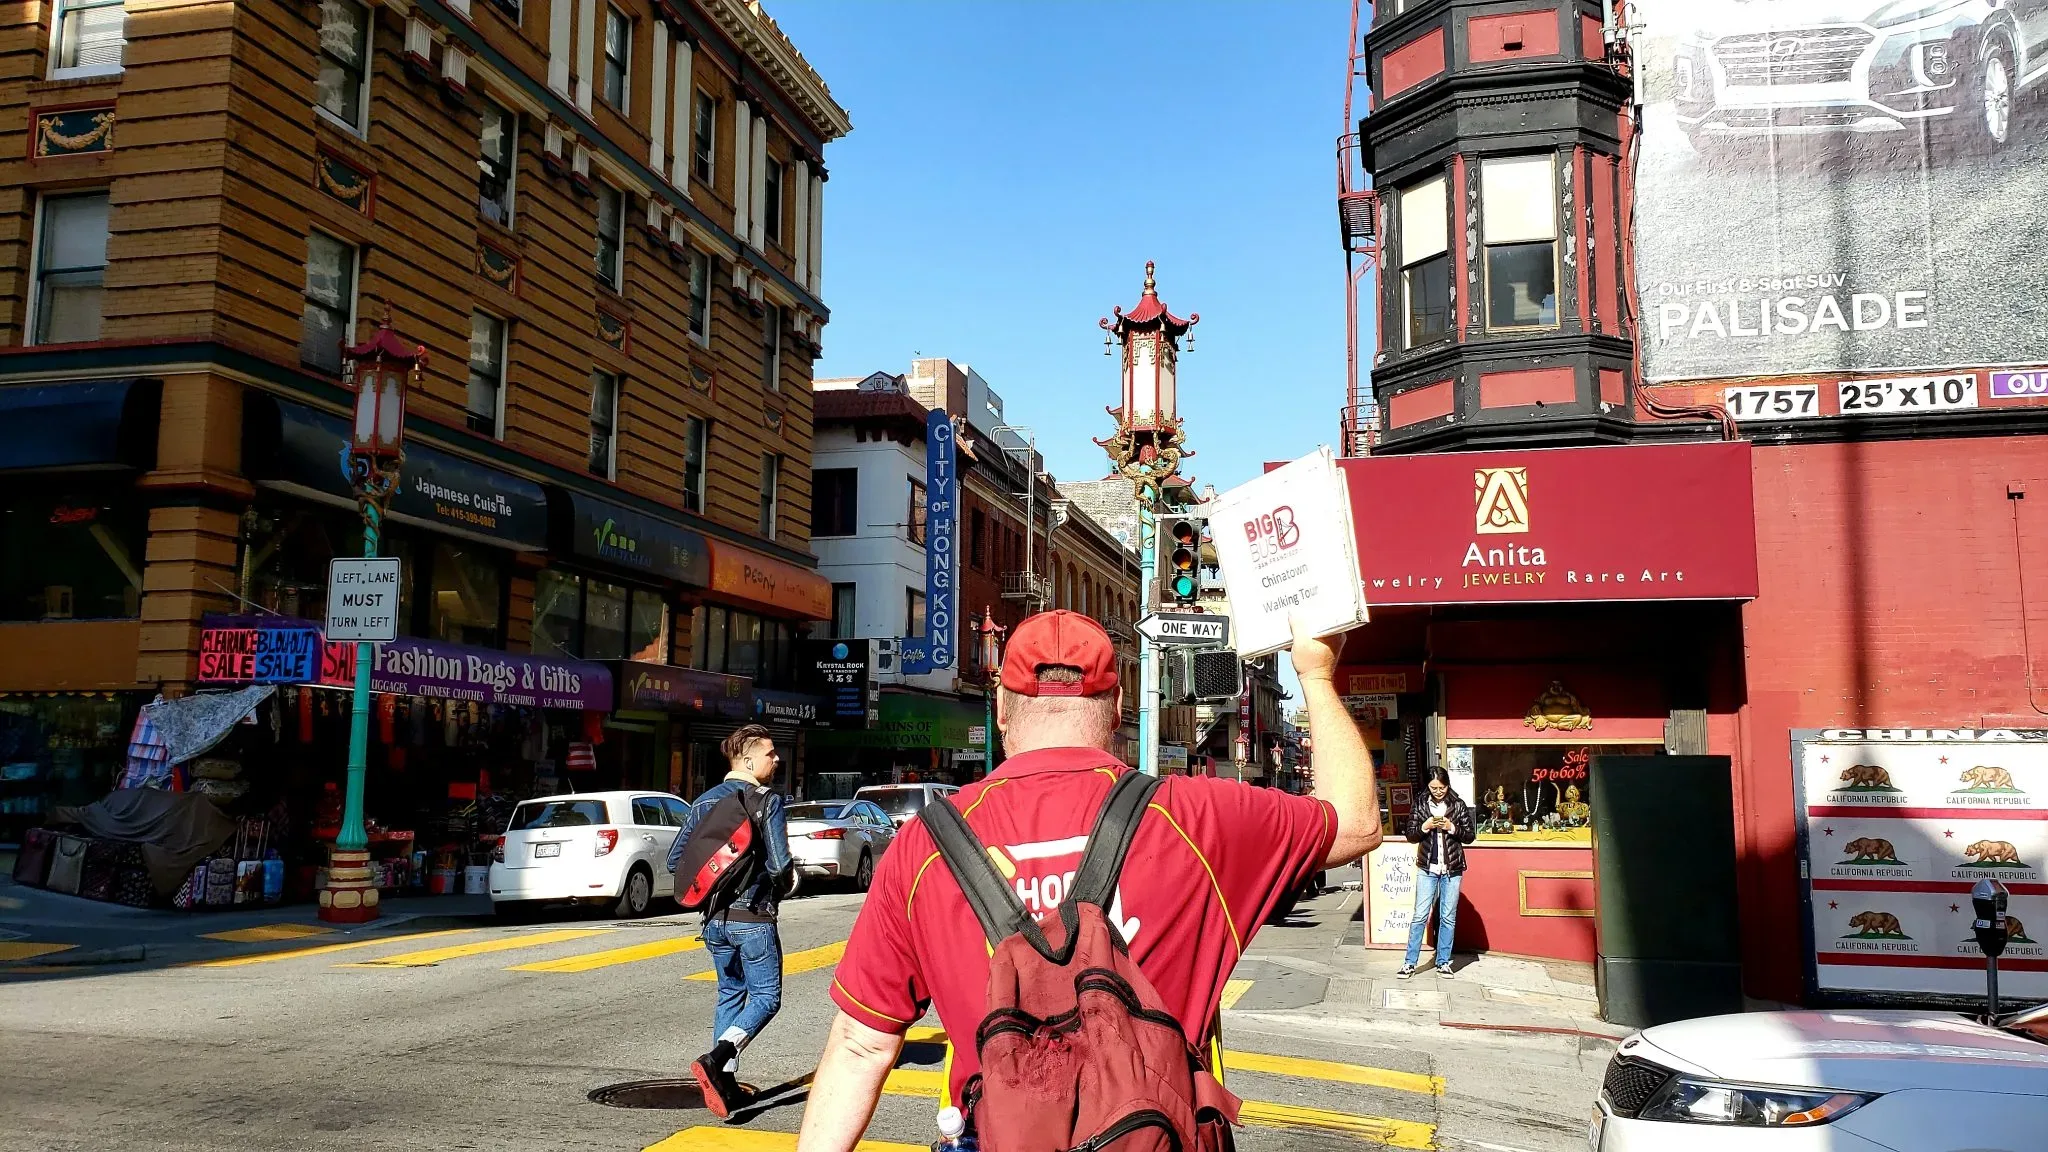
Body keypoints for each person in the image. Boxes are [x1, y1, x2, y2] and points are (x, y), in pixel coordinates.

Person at [793, 610, 1383, 1150]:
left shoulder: (923, 845)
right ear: (1118, 702)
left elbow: (860, 1044)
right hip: (1155, 1133)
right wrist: (1316, 672)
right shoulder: (1197, 819)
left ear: (1000, 706)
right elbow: (1356, 824)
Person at [666, 723, 793, 1119]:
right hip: (753, 917)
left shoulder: (703, 802)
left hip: (713, 923)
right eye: (771, 753)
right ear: (749, 759)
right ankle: (717, 1058)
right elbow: (779, 865)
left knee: (731, 993)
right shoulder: (765, 800)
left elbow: (675, 861)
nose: (777, 759)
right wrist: (785, 884)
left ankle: (726, 1085)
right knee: (766, 998)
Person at [1399, 768, 1476, 979]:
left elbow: (1470, 835)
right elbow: (1411, 835)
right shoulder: (1421, 804)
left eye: (1441, 788)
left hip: (1453, 868)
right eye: (1434, 788)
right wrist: (1425, 826)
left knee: (1448, 917)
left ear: (1447, 785)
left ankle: (1443, 962)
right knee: (1419, 916)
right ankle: (1409, 963)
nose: (1438, 791)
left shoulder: (1458, 805)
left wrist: (1452, 827)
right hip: (1428, 867)